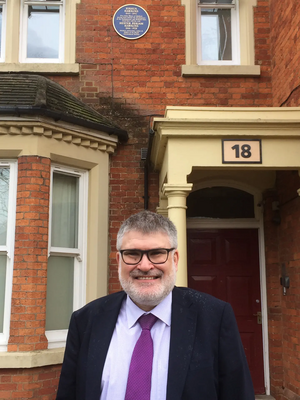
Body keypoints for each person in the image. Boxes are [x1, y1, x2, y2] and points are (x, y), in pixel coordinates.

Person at [56, 210, 255, 400]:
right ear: (119, 260)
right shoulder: (85, 320)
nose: (144, 266)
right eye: (132, 254)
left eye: (157, 253)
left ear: (175, 259)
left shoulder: (214, 318)